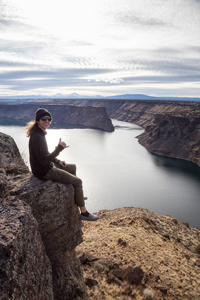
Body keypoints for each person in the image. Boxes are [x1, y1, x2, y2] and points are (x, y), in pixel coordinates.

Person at [25, 108, 99, 221]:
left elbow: (45, 155)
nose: (47, 121)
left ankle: (76, 194)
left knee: (72, 166)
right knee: (78, 182)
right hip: (44, 171)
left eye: (49, 119)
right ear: (38, 120)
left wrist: (58, 161)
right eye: (44, 119)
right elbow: (43, 160)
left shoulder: (40, 134)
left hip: (46, 166)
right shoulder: (37, 137)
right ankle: (84, 213)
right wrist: (59, 148)